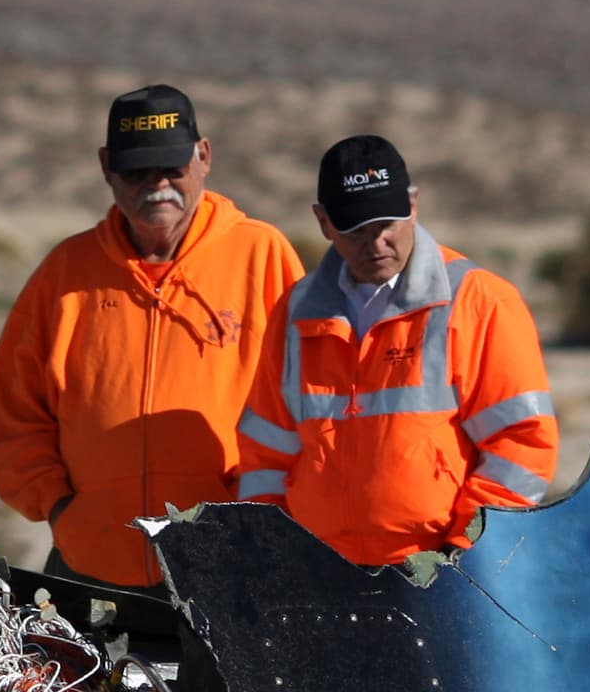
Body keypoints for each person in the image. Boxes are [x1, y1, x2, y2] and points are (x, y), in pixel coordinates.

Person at [0, 86, 305, 587]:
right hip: (91, 564)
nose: (156, 187)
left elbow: (309, 405)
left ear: (204, 156)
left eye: (171, 169)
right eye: (136, 172)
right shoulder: (66, 272)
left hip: (233, 563)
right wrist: (62, 506)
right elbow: (13, 416)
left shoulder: (262, 256)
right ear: (106, 165)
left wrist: (259, 515)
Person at [235, 134, 558, 568]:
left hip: (444, 573)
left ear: (413, 204)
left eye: (386, 224)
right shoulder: (295, 312)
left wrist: (463, 555)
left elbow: (522, 444)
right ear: (323, 222)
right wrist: (273, 550)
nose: (375, 243)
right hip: (319, 573)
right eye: (356, 229)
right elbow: (265, 452)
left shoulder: (479, 301)